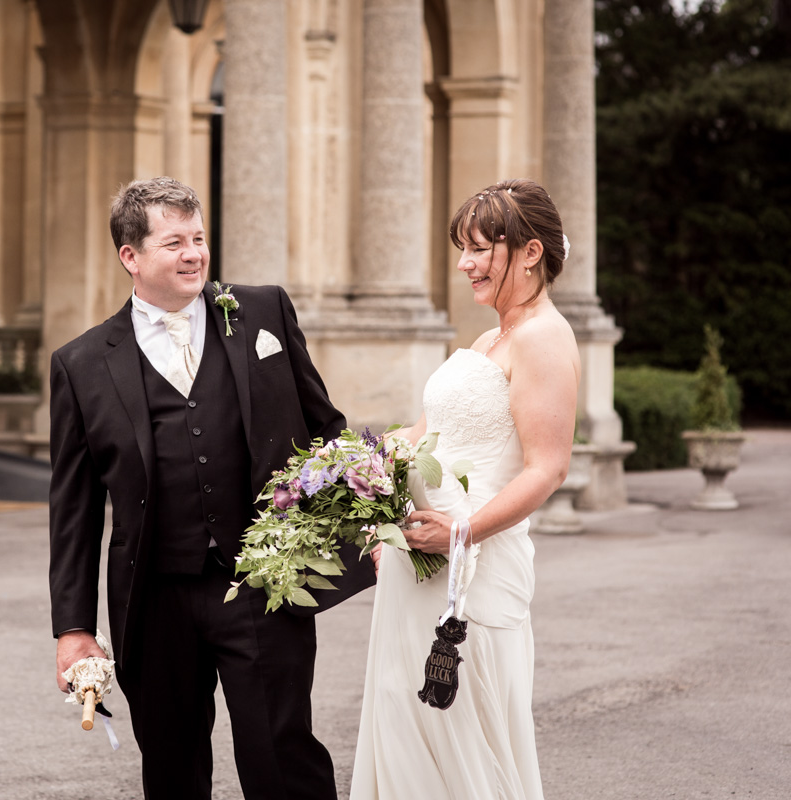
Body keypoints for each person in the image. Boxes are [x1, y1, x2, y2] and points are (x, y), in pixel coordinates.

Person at [49, 176, 374, 800]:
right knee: (172, 768)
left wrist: (376, 513)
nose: (195, 253)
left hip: (263, 582)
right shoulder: (82, 364)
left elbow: (324, 427)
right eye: (175, 243)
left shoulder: (264, 311)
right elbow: (75, 509)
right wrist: (73, 627)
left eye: (199, 238)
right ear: (131, 258)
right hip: (153, 599)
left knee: (283, 755)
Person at [350, 178, 580, 799]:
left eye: (481, 250)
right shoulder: (489, 340)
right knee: (409, 717)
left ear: (530, 253)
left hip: (473, 565)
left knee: (467, 727)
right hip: (419, 554)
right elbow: (424, 436)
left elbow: (548, 467)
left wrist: (461, 531)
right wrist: (356, 475)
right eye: (464, 248)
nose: (464, 264)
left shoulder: (544, 340)